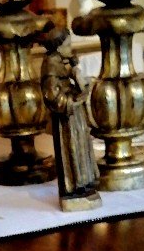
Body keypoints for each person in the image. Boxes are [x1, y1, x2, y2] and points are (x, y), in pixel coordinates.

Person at [40, 30, 101, 211]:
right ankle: (73, 188)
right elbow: (52, 97)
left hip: (75, 115)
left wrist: (76, 73)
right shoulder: (51, 66)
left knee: (81, 147)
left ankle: (83, 184)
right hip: (66, 118)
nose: (71, 48)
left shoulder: (61, 62)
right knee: (71, 150)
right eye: (67, 44)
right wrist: (74, 100)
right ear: (58, 47)